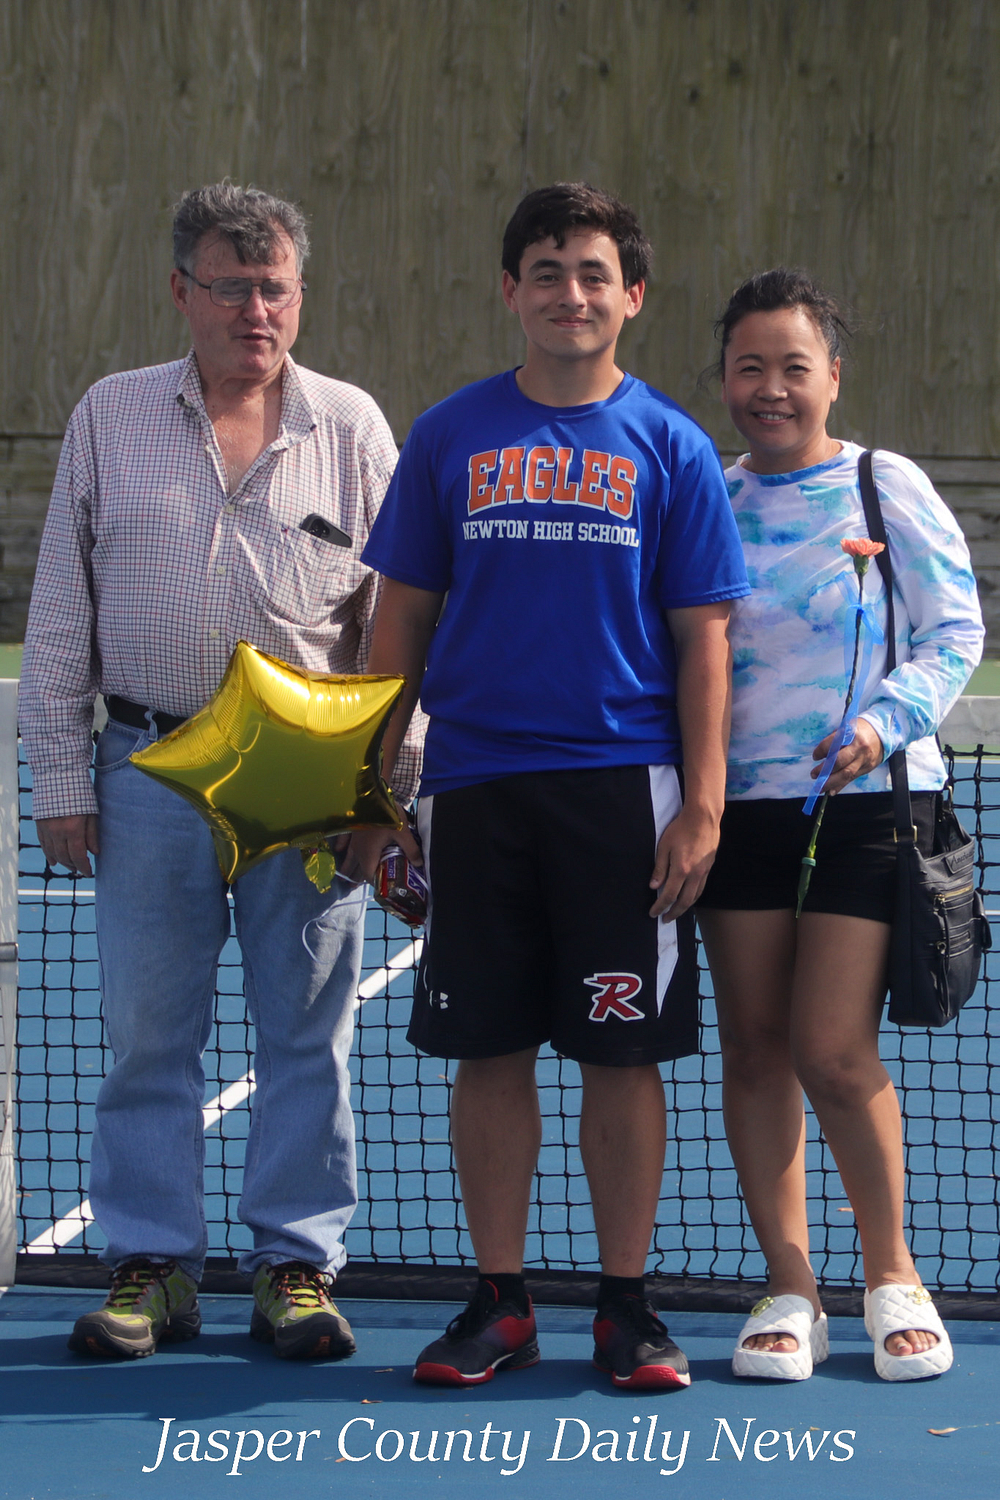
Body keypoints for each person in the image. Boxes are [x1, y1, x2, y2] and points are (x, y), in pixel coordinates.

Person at [346, 182, 750, 1390]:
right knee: (490, 1051)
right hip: (474, 788)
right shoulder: (448, 436)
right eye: (545, 271)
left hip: (622, 796)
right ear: (508, 290)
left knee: (622, 1058)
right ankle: (500, 1301)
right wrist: (372, 796)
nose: (569, 294)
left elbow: (703, 641)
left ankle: (625, 1308)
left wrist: (703, 805)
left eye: (592, 274)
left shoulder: (670, 444)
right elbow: (397, 627)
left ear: (632, 296)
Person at [19, 182, 423, 1361]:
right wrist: (62, 777)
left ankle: (296, 1267)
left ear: (300, 295)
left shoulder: (352, 428)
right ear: (181, 292)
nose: (257, 310)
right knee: (149, 1035)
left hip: (309, 783)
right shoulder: (110, 415)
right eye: (231, 287)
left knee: (308, 1034)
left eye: (275, 288)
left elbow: (402, 625)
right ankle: (153, 1267)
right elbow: (61, 610)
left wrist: (386, 795)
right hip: (145, 766)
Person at [696, 268, 984, 1382]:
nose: (770, 388)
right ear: (724, 378)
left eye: (793, 367)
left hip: (867, 808)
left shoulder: (882, 484)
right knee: (754, 1047)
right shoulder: (707, 495)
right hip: (737, 816)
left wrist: (880, 722)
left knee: (829, 1046)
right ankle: (791, 1287)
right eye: (749, 367)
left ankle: (891, 1275)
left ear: (832, 377)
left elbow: (954, 632)